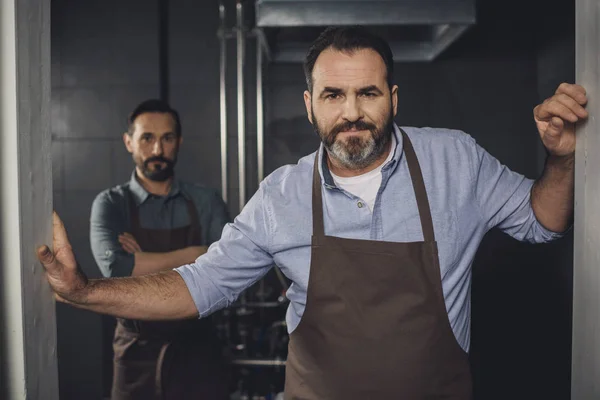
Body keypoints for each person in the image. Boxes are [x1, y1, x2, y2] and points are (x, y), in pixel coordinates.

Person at [39, 27, 586, 399]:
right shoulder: (281, 196)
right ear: (309, 104)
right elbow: (198, 286)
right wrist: (84, 291)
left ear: (393, 98)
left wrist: (559, 161)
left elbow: (543, 223)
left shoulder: (455, 161)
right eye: (333, 96)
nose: (351, 113)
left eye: (367, 94)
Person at [88, 99, 231, 400]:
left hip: (198, 352)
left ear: (178, 142)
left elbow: (225, 269)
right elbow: (117, 269)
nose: (157, 150)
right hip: (135, 353)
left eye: (166, 138)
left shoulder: (207, 201)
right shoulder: (111, 204)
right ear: (129, 142)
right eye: (147, 138)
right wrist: (197, 252)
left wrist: (142, 261)